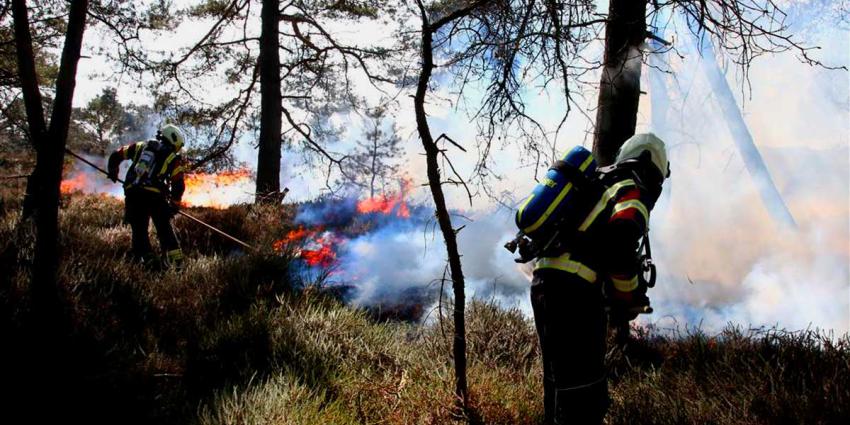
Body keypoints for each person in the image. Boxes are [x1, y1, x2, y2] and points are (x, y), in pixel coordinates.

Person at [530, 133, 670, 424]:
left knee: (559, 383)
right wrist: (628, 297)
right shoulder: (632, 191)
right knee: (584, 393)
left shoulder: (597, 185)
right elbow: (621, 246)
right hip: (575, 294)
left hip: (545, 284)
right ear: (654, 168)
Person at [107, 124, 188, 269]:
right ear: (174, 141)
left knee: (139, 230)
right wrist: (174, 204)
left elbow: (116, 155)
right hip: (154, 197)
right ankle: (177, 263)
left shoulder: (140, 146)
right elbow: (178, 184)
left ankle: (147, 263)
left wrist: (113, 170)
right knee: (164, 229)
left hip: (133, 194)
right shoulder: (172, 157)